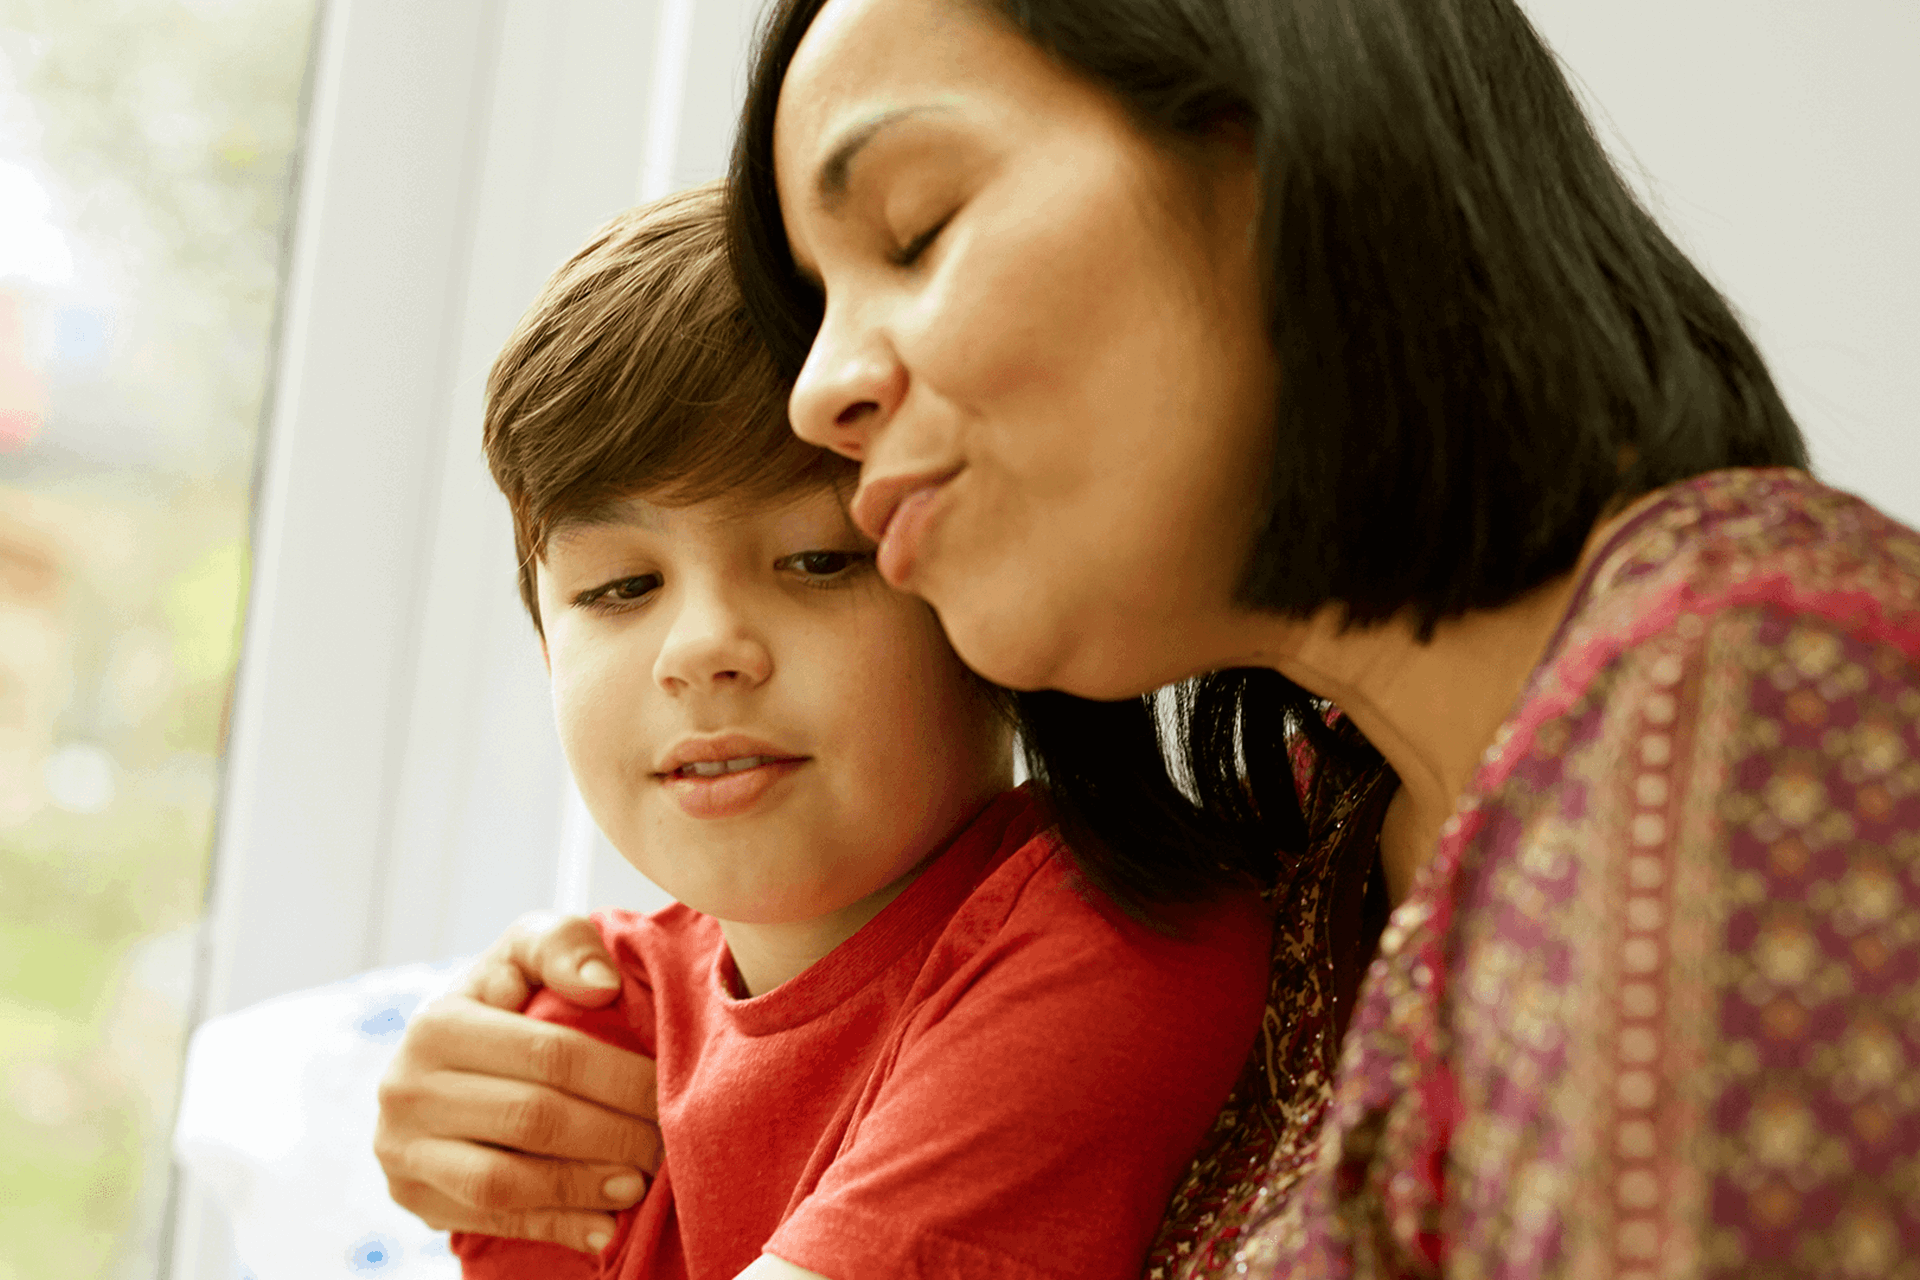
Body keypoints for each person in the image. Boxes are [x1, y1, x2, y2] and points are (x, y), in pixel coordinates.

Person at [378, 1, 1920, 1275]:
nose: (821, 391)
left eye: (913, 232)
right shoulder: (1321, 859)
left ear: (1289, 158)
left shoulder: (1757, 684)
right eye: (615, 585)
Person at [438, 180, 1273, 1280]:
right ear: (548, 646)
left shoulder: (1124, 933)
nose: (702, 647)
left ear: (982, 588)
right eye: (619, 586)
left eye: (819, 560)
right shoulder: (575, 1042)